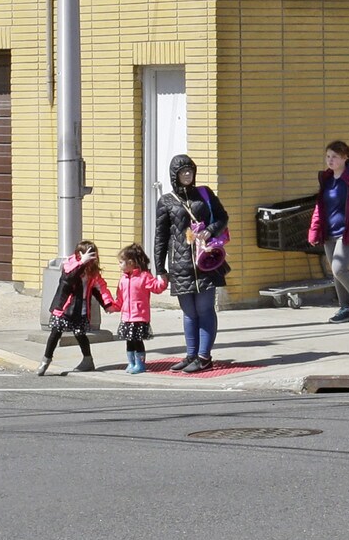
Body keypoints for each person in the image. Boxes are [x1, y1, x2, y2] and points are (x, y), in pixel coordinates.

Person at [155, 154, 230, 373]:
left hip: (206, 261)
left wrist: (209, 230)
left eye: (190, 170)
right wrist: (160, 268)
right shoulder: (166, 202)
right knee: (189, 312)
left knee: (205, 309)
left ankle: (204, 357)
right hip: (181, 264)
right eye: (183, 171)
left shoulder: (204, 194)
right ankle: (191, 355)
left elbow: (222, 217)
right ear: (174, 175)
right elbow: (160, 237)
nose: (187, 174)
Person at [307, 139, 349, 323]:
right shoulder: (328, 179)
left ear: (345, 158)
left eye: (334, 157)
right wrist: (314, 230)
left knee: (339, 268)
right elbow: (320, 207)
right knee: (335, 272)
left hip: (348, 232)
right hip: (330, 232)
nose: (330, 160)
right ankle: (344, 307)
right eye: (328, 156)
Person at [40, 240, 117, 377]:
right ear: (79, 254)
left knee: (80, 334)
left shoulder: (92, 272)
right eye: (87, 255)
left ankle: (88, 360)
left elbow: (101, 288)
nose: (91, 259)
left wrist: (108, 304)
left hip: (80, 308)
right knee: (56, 332)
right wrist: (81, 263)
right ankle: (46, 360)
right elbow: (68, 279)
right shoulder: (69, 264)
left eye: (93, 255)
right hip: (64, 306)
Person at [113, 244, 168, 375]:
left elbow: (156, 287)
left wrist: (163, 280)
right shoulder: (123, 279)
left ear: (131, 263)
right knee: (129, 341)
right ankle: (131, 362)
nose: (119, 265)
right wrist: (114, 306)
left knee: (137, 341)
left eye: (121, 262)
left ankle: (140, 364)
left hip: (139, 316)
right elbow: (120, 297)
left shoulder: (144, 276)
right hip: (126, 316)